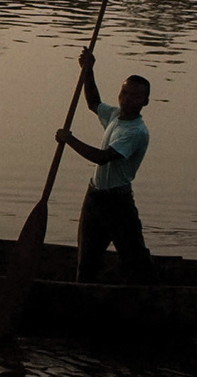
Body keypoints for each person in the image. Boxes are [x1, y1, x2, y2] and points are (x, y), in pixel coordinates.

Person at [56, 49, 153, 283]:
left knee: (134, 259)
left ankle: (144, 294)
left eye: (135, 96)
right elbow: (93, 102)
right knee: (86, 260)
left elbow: (102, 157)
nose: (127, 99)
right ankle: (84, 299)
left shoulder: (135, 132)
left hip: (117, 202)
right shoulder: (116, 115)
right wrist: (88, 70)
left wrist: (70, 140)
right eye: (124, 92)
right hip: (95, 197)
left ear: (145, 102)